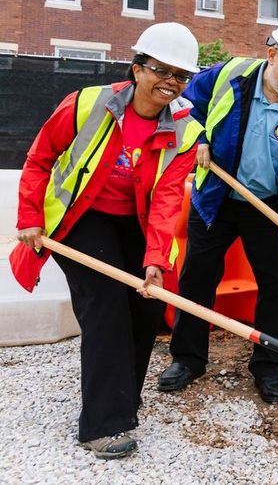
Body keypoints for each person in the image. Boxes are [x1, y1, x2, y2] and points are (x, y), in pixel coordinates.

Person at [12, 23, 203, 459]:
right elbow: (41, 158)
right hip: (81, 217)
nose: (170, 83)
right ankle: (103, 423)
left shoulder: (185, 131)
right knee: (105, 305)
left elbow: (169, 199)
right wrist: (30, 217)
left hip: (135, 219)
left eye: (181, 76)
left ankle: (123, 398)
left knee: (145, 302)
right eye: (161, 70)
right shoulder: (86, 105)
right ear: (137, 69)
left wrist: (156, 257)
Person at [158, 18, 278, 404]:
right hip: (217, 197)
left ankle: (270, 366)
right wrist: (199, 138)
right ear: (272, 53)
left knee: (277, 288)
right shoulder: (229, 75)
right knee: (197, 276)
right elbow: (183, 105)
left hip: (272, 204)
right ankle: (189, 358)